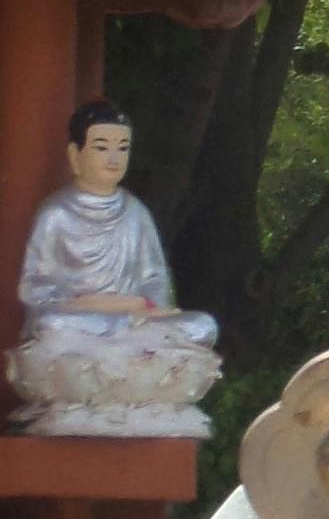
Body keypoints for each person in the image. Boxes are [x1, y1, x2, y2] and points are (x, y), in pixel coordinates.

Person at [11, 100, 221, 436]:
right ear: (74, 156)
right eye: (101, 147)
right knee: (51, 326)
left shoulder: (135, 213)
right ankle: (109, 390)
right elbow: (35, 289)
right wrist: (93, 305)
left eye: (122, 148)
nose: (113, 158)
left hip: (132, 324)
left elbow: (154, 283)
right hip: (79, 323)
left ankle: (130, 387)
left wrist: (142, 309)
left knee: (202, 326)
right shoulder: (56, 214)